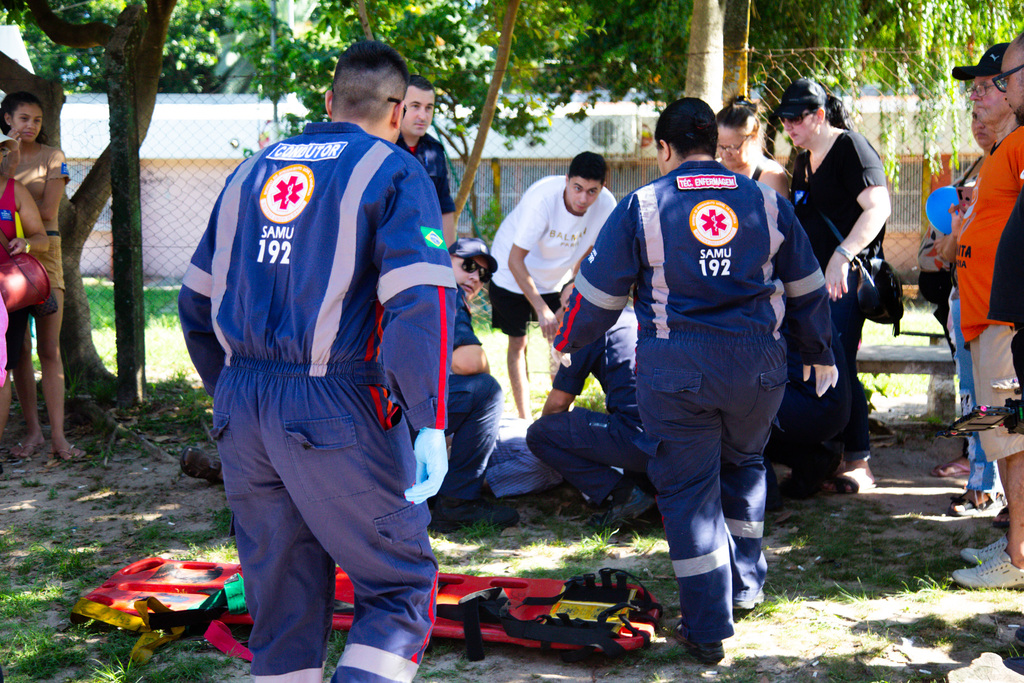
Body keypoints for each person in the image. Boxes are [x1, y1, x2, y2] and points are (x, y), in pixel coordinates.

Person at [178, 41, 456, 681]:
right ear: (395, 110)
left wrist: (233, 397)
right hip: (336, 403)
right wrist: (431, 418)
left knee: (282, 603)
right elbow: (421, 301)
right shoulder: (393, 170)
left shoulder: (252, 172)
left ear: (328, 102)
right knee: (400, 585)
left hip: (243, 406)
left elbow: (194, 305)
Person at [553, 98, 836, 665]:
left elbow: (599, 299)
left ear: (665, 148)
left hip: (678, 371)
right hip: (758, 370)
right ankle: (745, 587)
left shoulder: (643, 206)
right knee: (744, 464)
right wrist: (818, 351)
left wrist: (566, 344)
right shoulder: (766, 202)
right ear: (714, 142)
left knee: (686, 491)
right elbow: (805, 286)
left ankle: (707, 628)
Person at [777, 78, 892, 495]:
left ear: (819, 115)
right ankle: (825, 455)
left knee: (839, 360)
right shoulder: (803, 159)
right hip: (810, 287)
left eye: (796, 118)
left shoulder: (851, 148)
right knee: (818, 362)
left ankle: (858, 460)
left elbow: (878, 207)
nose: (788, 125)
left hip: (844, 281)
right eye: (784, 118)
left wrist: (841, 257)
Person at [963, 33, 1024, 589]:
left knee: (1013, 433)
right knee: (996, 433)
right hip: (982, 316)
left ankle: (1019, 555)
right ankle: (1013, 538)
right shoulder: (998, 151)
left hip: (1004, 318)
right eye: (978, 87)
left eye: (992, 84)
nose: (980, 95)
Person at [489, 151, 616, 419]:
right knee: (519, 343)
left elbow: (587, 253)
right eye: (578, 188)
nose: (583, 199)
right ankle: (524, 419)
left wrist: (571, 289)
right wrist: (541, 309)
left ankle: (554, 420)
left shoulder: (607, 206)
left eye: (592, 191)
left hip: (553, 278)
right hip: (512, 275)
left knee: (556, 346)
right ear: (567, 180)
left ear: (603, 187)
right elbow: (515, 259)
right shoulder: (542, 199)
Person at [527, 282, 656, 529]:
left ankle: (624, 493)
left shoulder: (588, 328)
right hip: (683, 434)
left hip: (640, 439)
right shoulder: (638, 316)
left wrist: (550, 427)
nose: (565, 312)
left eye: (569, 305)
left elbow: (558, 404)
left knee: (540, 434)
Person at [0, 92, 79, 463]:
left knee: (49, 348)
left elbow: (48, 211)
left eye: (36, 120)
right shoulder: (2, 155)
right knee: (19, 352)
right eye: (23, 119)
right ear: (7, 120)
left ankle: (59, 438)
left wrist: (11, 176)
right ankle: (32, 432)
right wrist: (9, 163)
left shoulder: (54, 157)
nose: (30, 126)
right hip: (6, 262)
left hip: (45, 256)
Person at [432, 237, 519, 531]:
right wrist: (486, 374)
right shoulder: (447, 293)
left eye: (483, 274)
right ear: (445, 260)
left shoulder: (421, 289)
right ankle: (457, 502)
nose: (475, 276)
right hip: (388, 416)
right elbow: (467, 361)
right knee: (486, 391)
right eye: (468, 265)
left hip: (373, 408)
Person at [764, 319, 851, 504]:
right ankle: (808, 461)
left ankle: (761, 489)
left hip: (809, 401)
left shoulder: (764, 295)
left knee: (730, 406)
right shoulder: (810, 294)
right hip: (832, 405)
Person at [0, 134, 50, 457]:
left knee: (3, 368)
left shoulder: (12, 190)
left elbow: (41, 238)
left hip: (8, 294)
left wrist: (26, 243)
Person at [398, 75, 457, 245]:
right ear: (399, 107)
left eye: (428, 108)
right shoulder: (382, 145)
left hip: (427, 239)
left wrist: (448, 255)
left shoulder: (435, 150)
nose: (422, 116)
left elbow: (444, 205)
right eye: (415, 107)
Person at [715, 97, 789, 196]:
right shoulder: (713, 169)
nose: (724, 153)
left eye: (732, 147)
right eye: (720, 146)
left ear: (753, 138)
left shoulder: (770, 174)